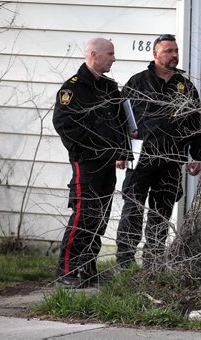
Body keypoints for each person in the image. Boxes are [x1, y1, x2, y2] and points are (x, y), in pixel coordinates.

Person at [115, 34, 201, 269]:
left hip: (172, 159)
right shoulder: (138, 82)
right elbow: (119, 118)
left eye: (175, 50)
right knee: (132, 209)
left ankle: (152, 263)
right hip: (140, 156)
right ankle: (124, 262)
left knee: (161, 212)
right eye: (168, 51)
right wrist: (121, 150)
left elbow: (196, 123)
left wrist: (197, 155)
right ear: (155, 54)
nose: (174, 55)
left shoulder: (184, 86)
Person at [53, 38, 130, 288]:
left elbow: (121, 122)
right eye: (110, 54)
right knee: (83, 215)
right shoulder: (72, 89)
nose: (114, 58)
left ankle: (87, 269)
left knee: (100, 216)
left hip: (107, 163)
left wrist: (121, 151)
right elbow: (64, 125)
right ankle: (66, 271)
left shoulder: (109, 88)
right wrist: (92, 149)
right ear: (94, 55)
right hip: (86, 163)